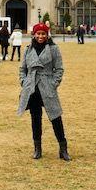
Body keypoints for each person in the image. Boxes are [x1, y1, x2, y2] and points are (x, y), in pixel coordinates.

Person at [17, 23, 70, 161]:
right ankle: (37, 148)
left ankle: (63, 148)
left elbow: (59, 69)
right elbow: (22, 69)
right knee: (35, 119)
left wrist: (53, 84)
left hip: (47, 87)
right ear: (34, 34)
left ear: (47, 35)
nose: (41, 36)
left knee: (56, 118)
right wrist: (24, 82)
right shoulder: (28, 50)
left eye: (43, 34)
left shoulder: (53, 49)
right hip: (32, 88)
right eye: (38, 33)